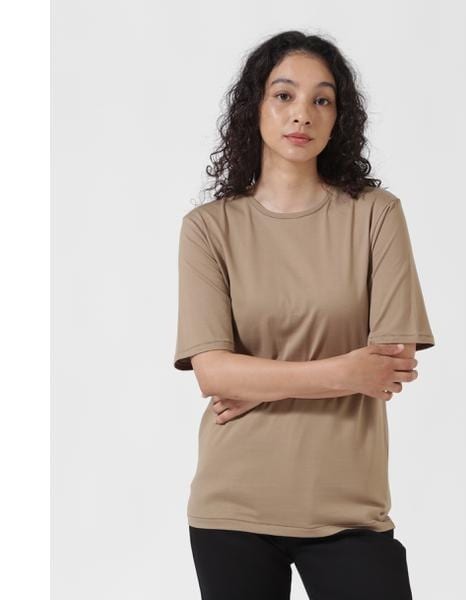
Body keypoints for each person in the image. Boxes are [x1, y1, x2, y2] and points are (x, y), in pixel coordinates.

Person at [174, 30, 435, 600]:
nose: (303, 114)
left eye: (322, 99)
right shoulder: (208, 229)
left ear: (339, 117)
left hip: (349, 507)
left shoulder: (376, 215)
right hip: (232, 506)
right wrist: (344, 371)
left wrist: (258, 383)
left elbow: (389, 364)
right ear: (255, 106)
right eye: (284, 95)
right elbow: (213, 374)